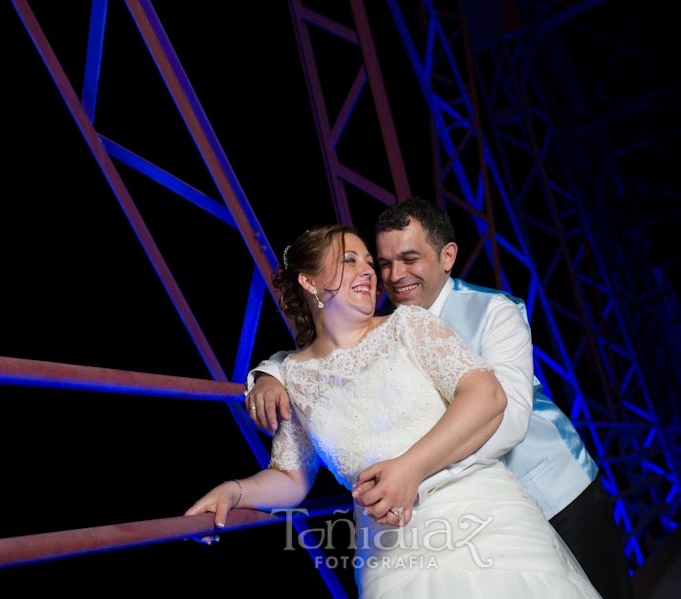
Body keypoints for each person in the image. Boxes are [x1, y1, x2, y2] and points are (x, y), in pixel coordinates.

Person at [246, 198, 634, 599]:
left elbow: (508, 420)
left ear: (447, 256)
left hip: (552, 491)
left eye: (409, 259)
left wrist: (411, 474)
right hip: (427, 521)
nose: (394, 276)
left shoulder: (494, 311)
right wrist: (269, 373)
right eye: (384, 263)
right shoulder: (389, 322)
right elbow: (329, 354)